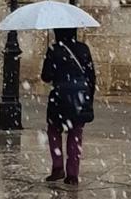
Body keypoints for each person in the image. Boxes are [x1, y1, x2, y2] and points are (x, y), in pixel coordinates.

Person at [40, 28, 96, 186]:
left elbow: (46, 76)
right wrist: (88, 97)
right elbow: (91, 76)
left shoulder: (54, 49)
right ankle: (72, 174)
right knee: (75, 133)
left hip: (59, 96)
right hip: (79, 96)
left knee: (54, 130)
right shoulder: (83, 48)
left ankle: (57, 167)